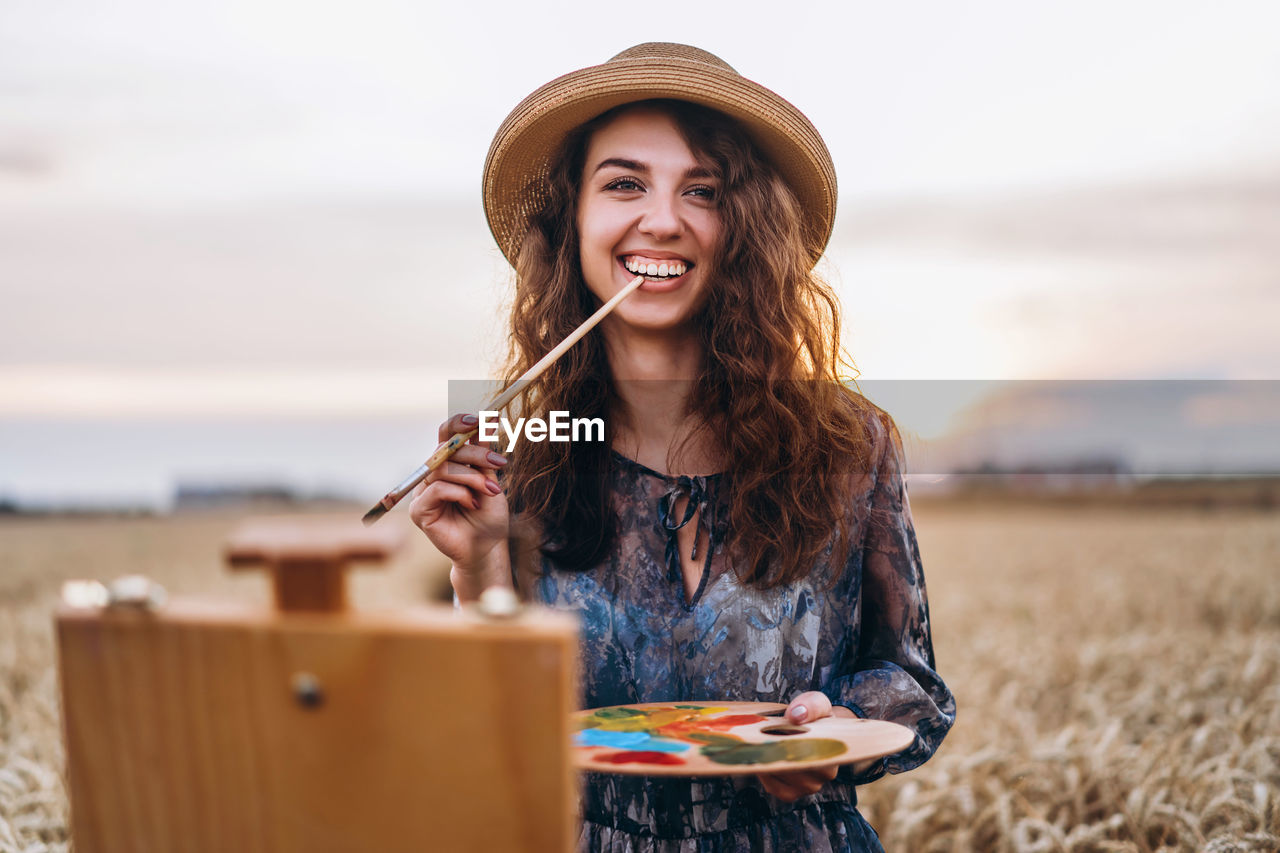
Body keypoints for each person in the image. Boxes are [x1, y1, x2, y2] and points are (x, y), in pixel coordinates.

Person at [410, 43, 954, 852]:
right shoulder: (522, 457)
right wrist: (479, 569)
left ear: (745, 227)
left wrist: (837, 730)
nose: (662, 218)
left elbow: (915, 686)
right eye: (624, 183)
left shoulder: (847, 443)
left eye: (702, 190)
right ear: (574, 219)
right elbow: (494, 739)